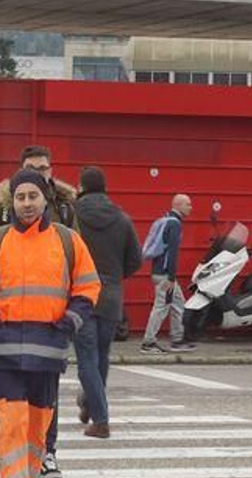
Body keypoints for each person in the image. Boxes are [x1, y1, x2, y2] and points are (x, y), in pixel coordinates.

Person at [0, 169, 100, 478]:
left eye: (32, 197)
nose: (27, 203)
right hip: (4, 350)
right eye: (20, 197)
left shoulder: (67, 241)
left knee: (39, 427)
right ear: (12, 202)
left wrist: (70, 321)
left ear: (44, 200)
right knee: (11, 425)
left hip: (48, 349)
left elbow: (88, 286)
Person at [0, 146, 78, 463]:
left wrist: (69, 320)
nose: (40, 172)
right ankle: (3, 446)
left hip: (49, 328)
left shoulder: (67, 212)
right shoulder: (0, 214)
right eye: (32, 167)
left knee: (46, 397)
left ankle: (47, 452)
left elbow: (79, 269)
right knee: (8, 397)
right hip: (6, 328)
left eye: (44, 167)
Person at [71, 166, 142, 438]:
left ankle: (101, 420)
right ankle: (90, 404)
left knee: (86, 358)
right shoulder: (122, 219)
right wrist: (113, 277)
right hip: (111, 296)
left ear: (81, 186)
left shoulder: (74, 216)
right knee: (101, 357)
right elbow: (135, 259)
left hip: (82, 295)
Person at [142, 194, 194, 353]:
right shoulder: (175, 224)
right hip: (165, 275)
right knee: (162, 307)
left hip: (158, 272)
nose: (190, 207)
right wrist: (171, 277)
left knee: (178, 304)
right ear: (178, 205)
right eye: (188, 204)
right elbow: (172, 253)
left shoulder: (164, 220)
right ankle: (148, 343)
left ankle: (177, 339)